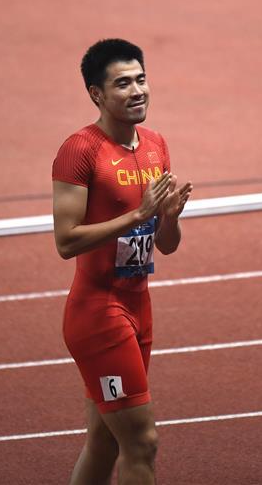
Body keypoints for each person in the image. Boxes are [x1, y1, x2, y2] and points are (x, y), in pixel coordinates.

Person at [52, 38, 192, 484]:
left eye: (141, 79)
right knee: (141, 442)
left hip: (139, 306)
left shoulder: (155, 145)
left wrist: (168, 219)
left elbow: (166, 245)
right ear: (96, 94)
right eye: (123, 83)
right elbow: (66, 241)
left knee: (104, 442)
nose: (137, 91)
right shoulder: (80, 150)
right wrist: (136, 215)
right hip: (99, 314)